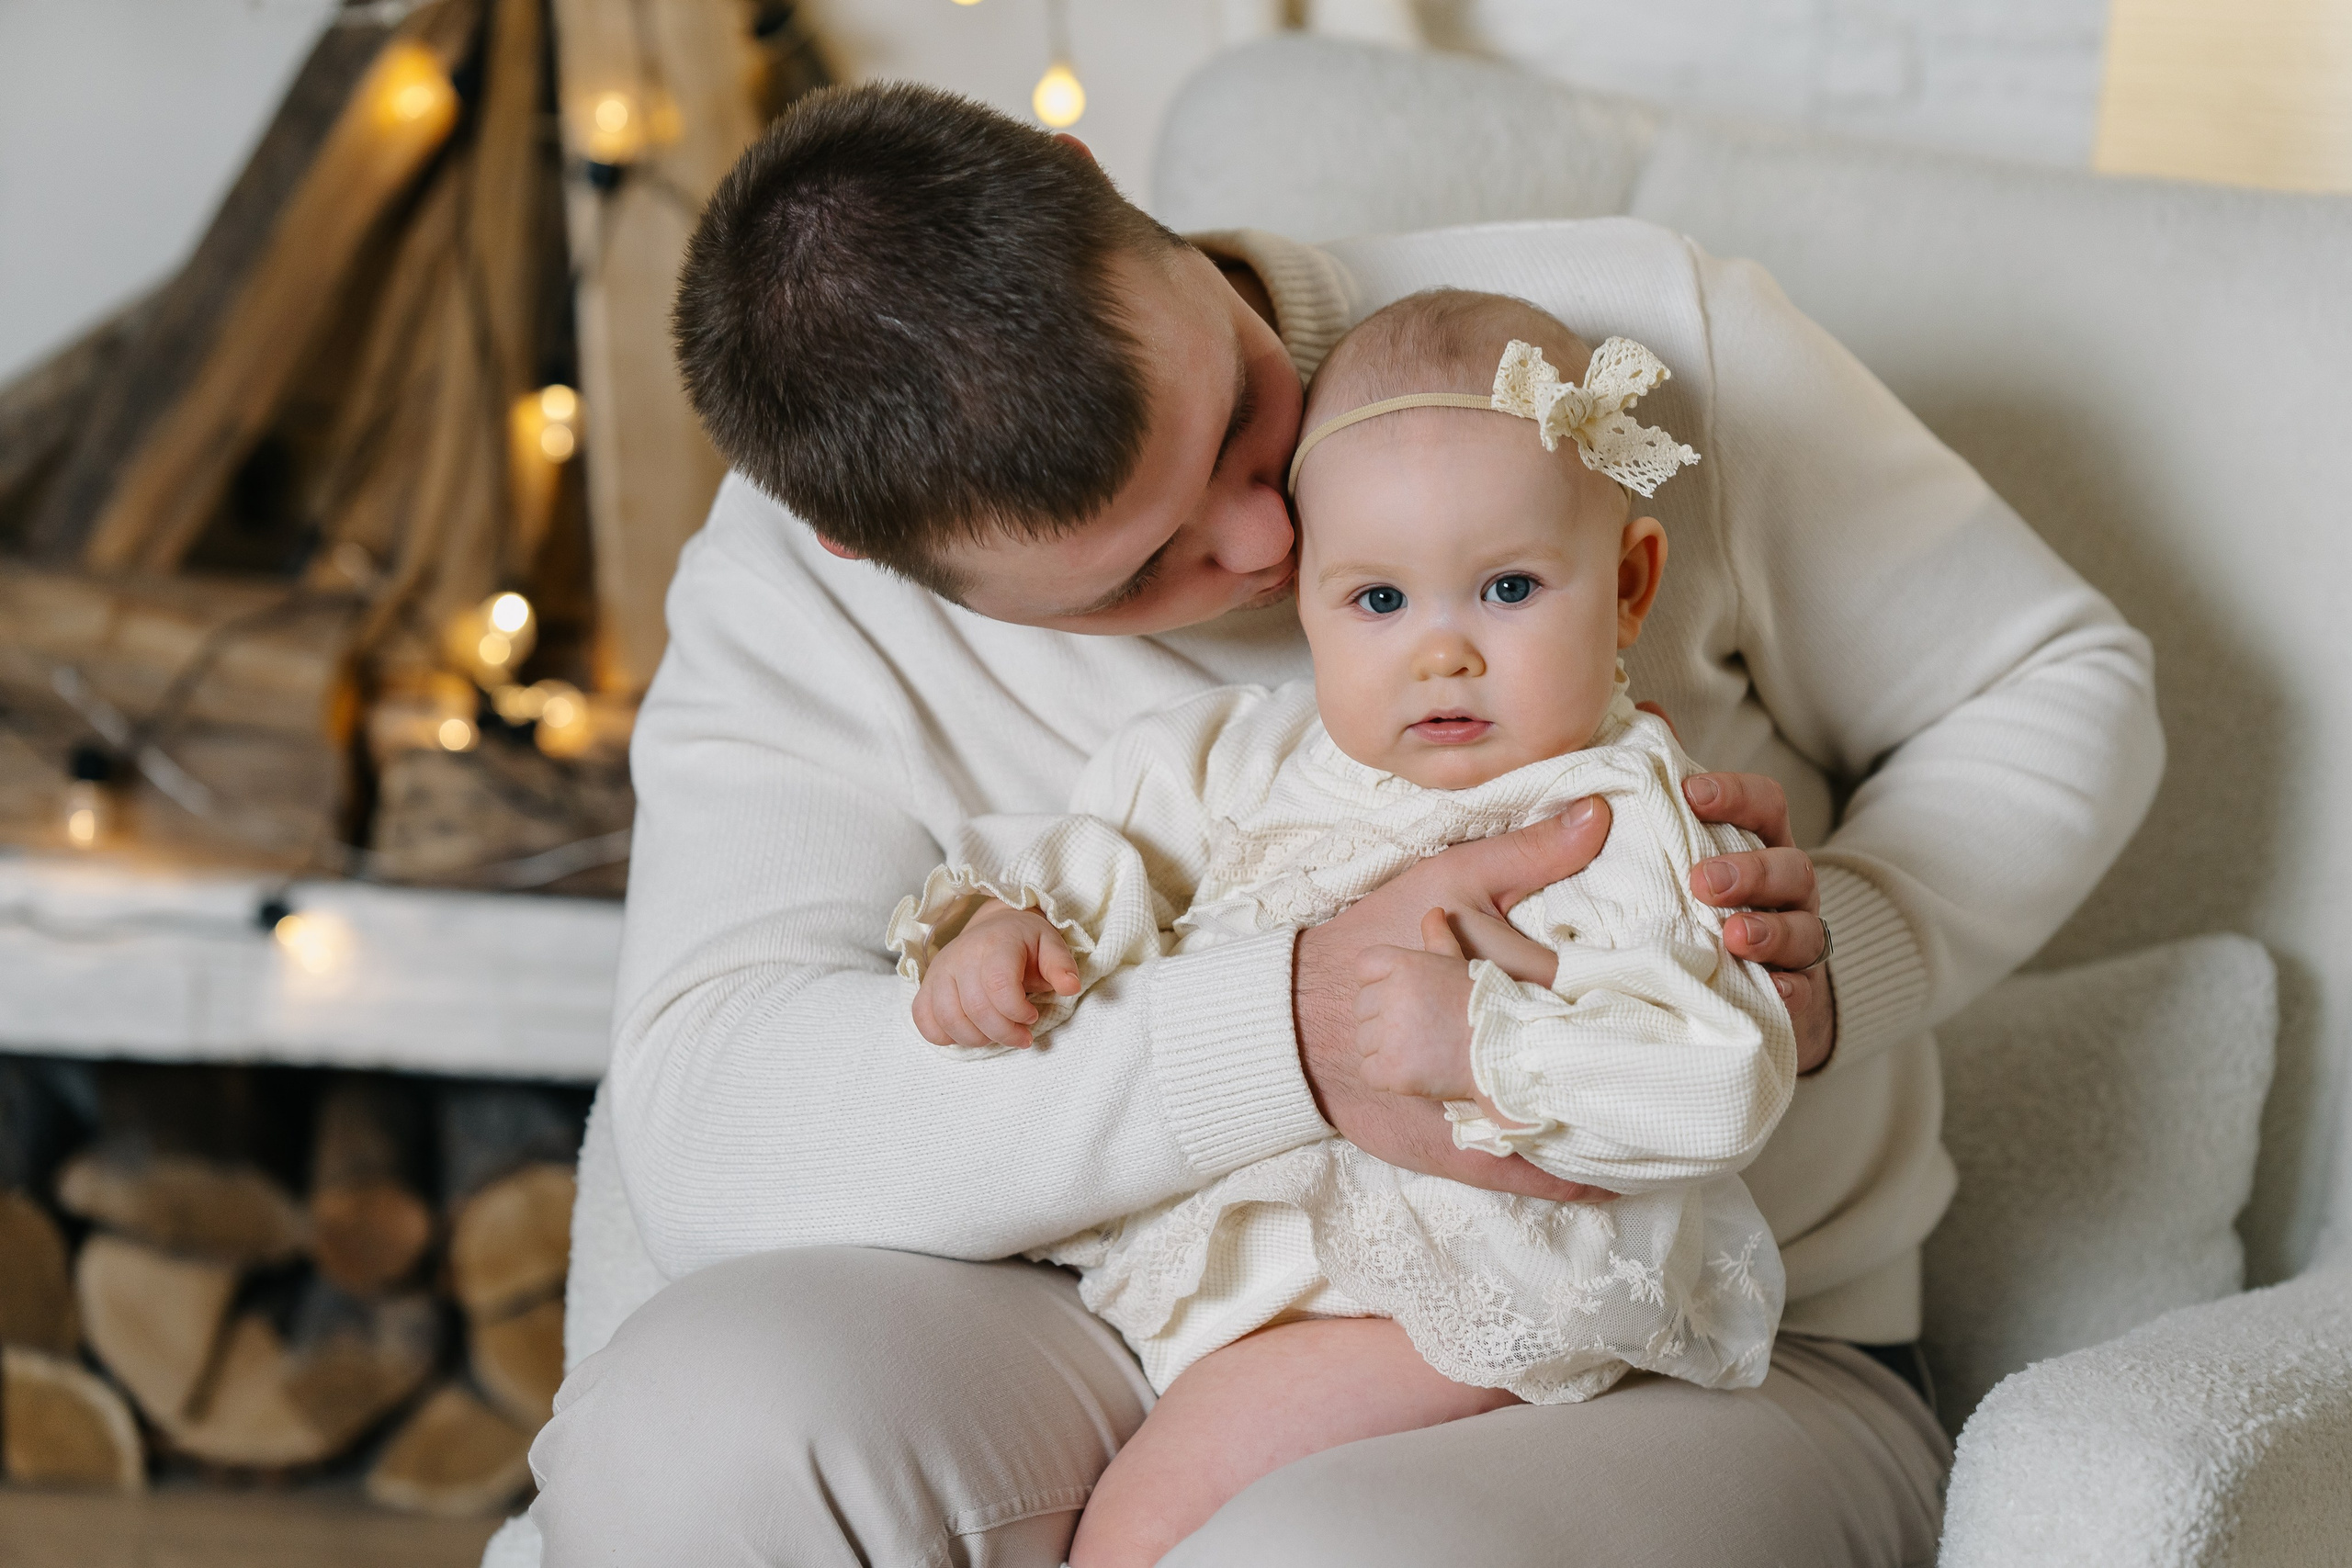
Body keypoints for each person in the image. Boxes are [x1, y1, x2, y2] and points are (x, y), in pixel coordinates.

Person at [527, 82, 2161, 1567]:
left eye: (1239, 411)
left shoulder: (1607, 351)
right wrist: (1278, 1031)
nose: (1259, 537)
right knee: (690, 1440)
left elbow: (2054, 678)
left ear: (1101, 186)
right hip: (1130, 1299)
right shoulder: (804, 598)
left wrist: (1828, 966)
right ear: (855, 552)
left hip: (1688, 1342)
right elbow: (711, 1117)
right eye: (1135, 572)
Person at [893, 291, 1796, 1567]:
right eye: (1379, 602)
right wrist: (1001, 932)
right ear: (1304, 604)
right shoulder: (1234, 758)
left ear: (1630, 585)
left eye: (1508, 587)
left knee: (1143, 1535)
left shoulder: (1622, 817)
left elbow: (1724, 1081)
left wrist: (1479, 1041)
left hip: (1456, 1301)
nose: (1443, 654)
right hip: (1240, 1291)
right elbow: (1101, 857)